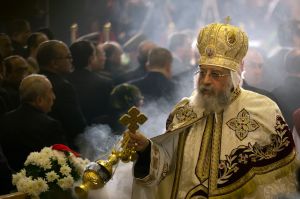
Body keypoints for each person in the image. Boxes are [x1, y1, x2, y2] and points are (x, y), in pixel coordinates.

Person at [126, 22, 297, 199]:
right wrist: (146, 149)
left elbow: (280, 181)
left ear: (232, 77)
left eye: (215, 74)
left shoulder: (262, 109)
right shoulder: (184, 111)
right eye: (202, 72)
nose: (206, 80)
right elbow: (165, 166)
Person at [0, 74, 66, 172]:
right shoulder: (50, 125)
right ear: (39, 100)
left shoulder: (4, 120)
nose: (54, 97)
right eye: (51, 92)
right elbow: (62, 162)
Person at [37, 40, 87, 150]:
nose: (72, 60)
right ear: (54, 63)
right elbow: (76, 125)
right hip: (62, 147)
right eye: (68, 57)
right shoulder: (63, 86)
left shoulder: (32, 82)